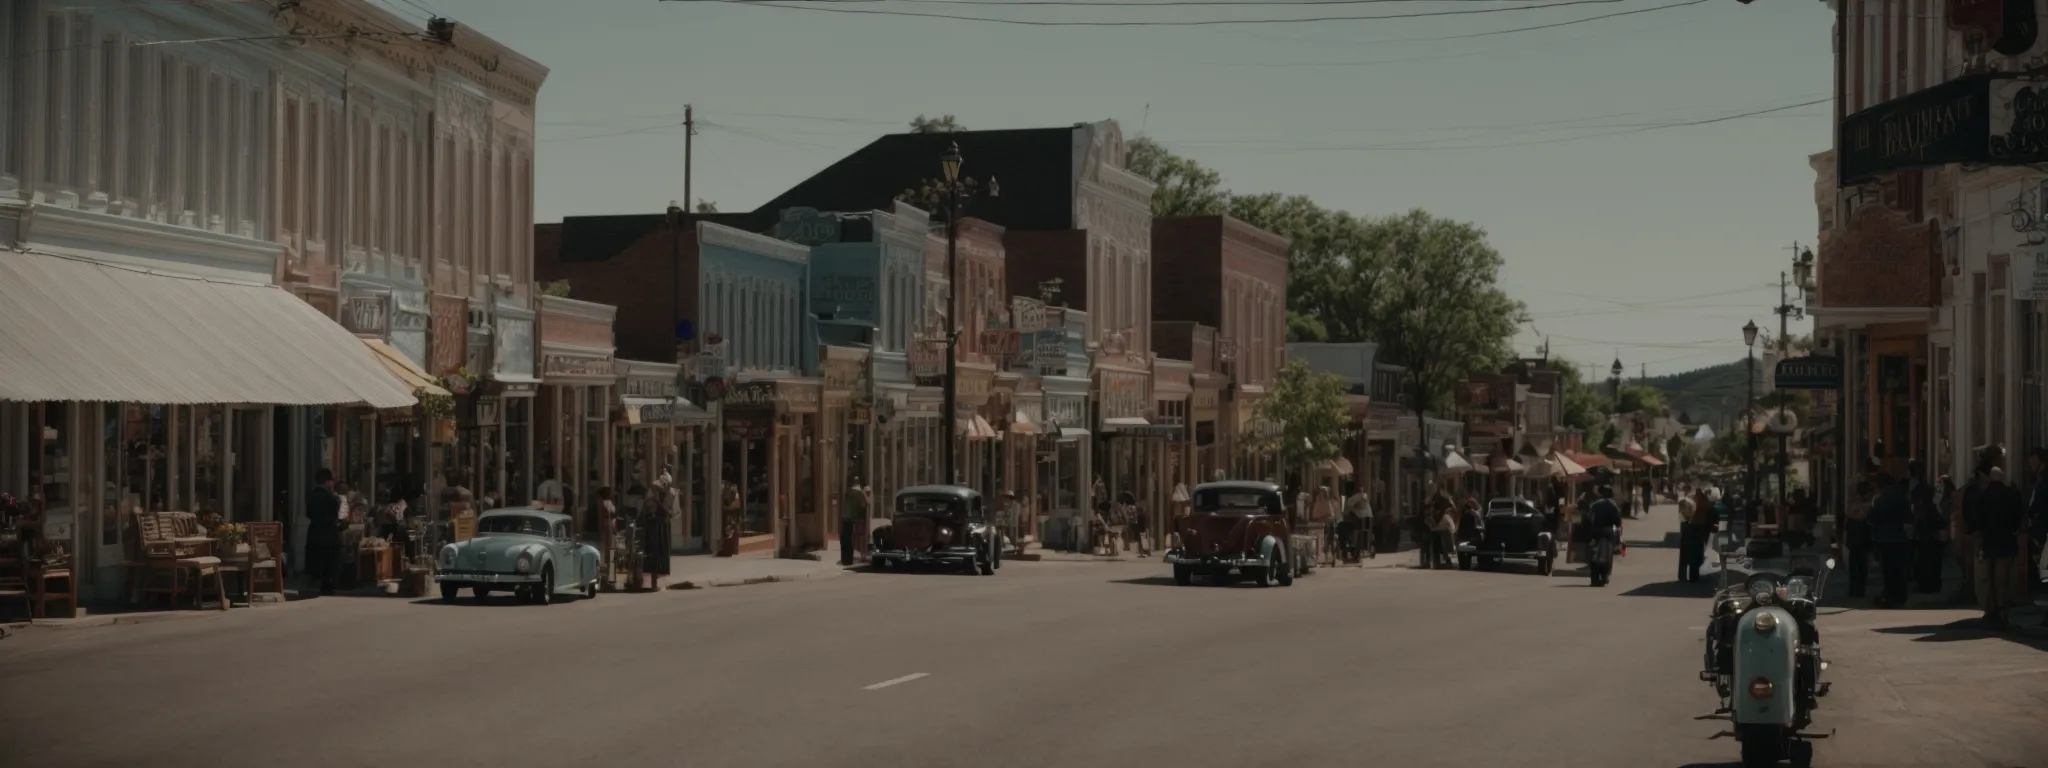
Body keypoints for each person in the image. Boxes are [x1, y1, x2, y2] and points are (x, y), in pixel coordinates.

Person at [1966, 467, 2027, 630]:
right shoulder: (2012, 495)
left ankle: (1990, 611)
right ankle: (2003, 612)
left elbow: (1976, 519)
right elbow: (2018, 518)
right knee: (2003, 579)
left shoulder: (1982, 496)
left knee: (1986, 578)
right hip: (2006, 543)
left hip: (1987, 543)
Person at [1867, 473, 1912, 608]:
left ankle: (1890, 596)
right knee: (1898, 569)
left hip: (1885, 537)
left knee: (1888, 570)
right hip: (1899, 536)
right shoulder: (1901, 494)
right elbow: (1908, 514)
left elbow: (1872, 517)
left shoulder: (1881, 497)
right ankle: (1900, 596)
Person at [305, 469, 343, 596]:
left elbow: (308, 513)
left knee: (317, 558)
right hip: (328, 531)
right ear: (327, 481)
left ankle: (317, 581)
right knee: (329, 559)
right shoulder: (329, 496)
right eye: (332, 480)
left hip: (315, 530)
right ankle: (328, 584)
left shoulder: (312, 495)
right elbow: (334, 512)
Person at [640, 473, 676, 590]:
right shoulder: (656, 493)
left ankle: (654, 583)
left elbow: (672, 511)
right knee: (654, 553)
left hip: (659, 526)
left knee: (658, 554)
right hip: (656, 526)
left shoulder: (669, 493)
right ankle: (653, 584)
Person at [1910, 480, 1945, 594]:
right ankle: (1928, 585)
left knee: (1926, 563)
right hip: (1930, 540)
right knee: (1928, 564)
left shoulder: (1927, 509)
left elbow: (1938, 523)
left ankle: (1927, 585)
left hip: (1928, 540)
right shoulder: (1930, 508)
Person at [1586, 485, 1624, 587]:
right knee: (1607, 556)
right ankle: (1605, 575)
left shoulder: (1595, 504)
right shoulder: (1613, 505)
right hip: (1608, 533)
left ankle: (1594, 579)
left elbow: (1589, 518)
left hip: (1595, 532)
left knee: (1594, 555)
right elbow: (1618, 521)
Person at [1843, 480, 1873, 599]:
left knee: (1855, 564)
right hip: (1862, 538)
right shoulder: (1866, 505)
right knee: (1861, 565)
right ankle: (1859, 590)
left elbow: (1848, 521)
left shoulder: (1854, 504)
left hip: (1854, 538)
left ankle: (1854, 589)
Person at [840, 477, 868, 567]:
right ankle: (849, 559)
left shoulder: (848, 492)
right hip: (854, 519)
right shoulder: (859, 494)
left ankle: (845, 559)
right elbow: (864, 505)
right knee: (851, 540)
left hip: (846, 518)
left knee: (845, 539)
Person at [1676, 490, 1700, 582]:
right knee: (1690, 551)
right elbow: (1688, 513)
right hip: (1689, 525)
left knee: (1684, 553)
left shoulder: (1686, 501)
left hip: (1685, 524)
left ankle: (1682, 576)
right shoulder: (1689, 502)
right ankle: (1688, 576)